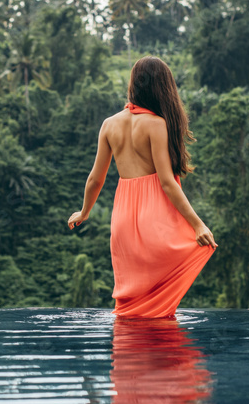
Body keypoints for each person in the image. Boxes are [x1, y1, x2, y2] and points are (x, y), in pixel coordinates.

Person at [67, 56, 217, 318]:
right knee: (157, 306)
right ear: (163, 88)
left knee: (129, 303)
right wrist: (198, 225)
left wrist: (84, 212)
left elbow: (95, 178)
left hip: (122, 221)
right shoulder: (156, 124)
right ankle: (159, 355)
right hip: (154, 220)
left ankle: (129, 356)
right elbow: (167, 183)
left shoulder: (109, 124)